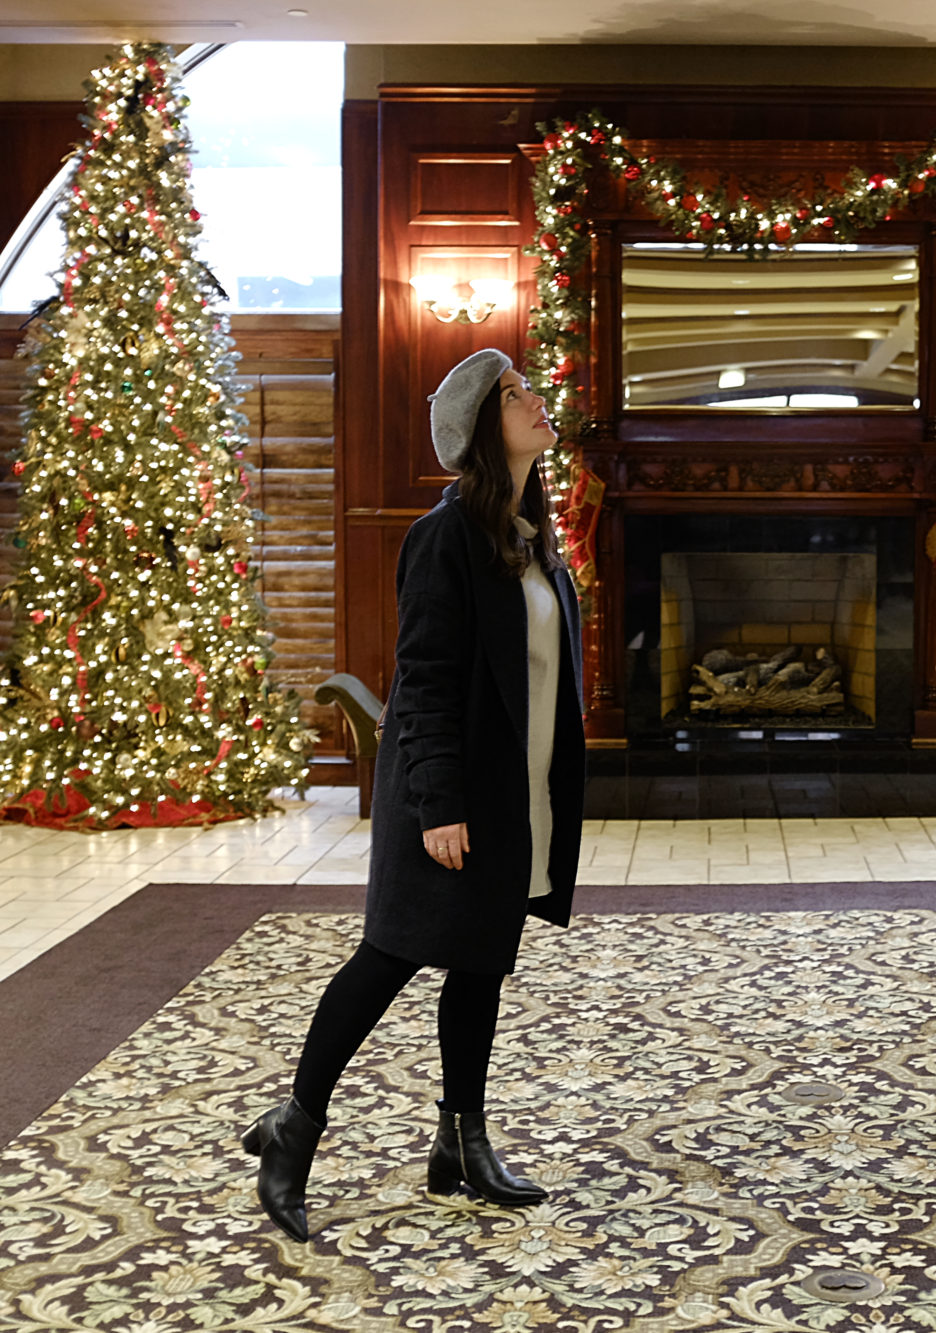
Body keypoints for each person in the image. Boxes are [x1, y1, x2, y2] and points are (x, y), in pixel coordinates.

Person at [240, 349, 587, 1241]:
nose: (537, 400)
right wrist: (438, 805)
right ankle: (295, 1127)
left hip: (515, 799)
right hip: (449, 798)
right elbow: (423, 680)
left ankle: (460, 1144)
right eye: (517, 394)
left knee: (481, 963)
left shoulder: (529, 536)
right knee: (388, 959)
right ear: (480, 424)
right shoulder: (445, 537)